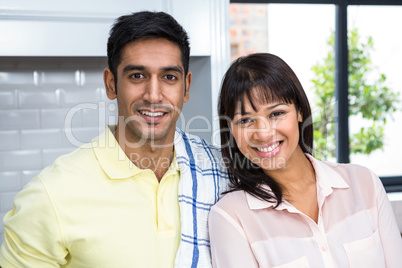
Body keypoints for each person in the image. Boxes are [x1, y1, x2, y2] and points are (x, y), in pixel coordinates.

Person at [0, 11, 228, 268]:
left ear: (186, 87)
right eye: (137, 76)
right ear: (111, 84)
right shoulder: (50, 194)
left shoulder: (218, 173)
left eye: (169, 77)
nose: (153, 95)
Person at [208, 53, 402, 268]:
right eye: (246, 120)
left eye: (276, 114)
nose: (263, 133)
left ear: (300, 111)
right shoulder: (231, 217)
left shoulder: (364, 184)